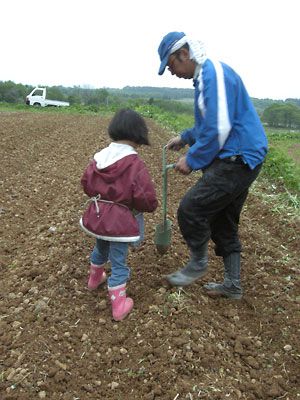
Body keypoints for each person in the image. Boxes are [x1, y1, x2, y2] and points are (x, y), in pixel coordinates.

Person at [157, 31, 268, 299]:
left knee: (191, 209)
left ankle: (197, 263)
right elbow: (208, 123)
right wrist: (185, 138)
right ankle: (233, 285)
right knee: (223, 221)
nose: (171, 72)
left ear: (184, 54)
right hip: (243, 158)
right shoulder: (205, 78)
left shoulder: (212, 74)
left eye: (171, 65)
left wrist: (192, 160)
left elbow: (219, 127)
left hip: (237, 158)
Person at [80, 109, 158, 320]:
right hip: (120, 222)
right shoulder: (134, 163)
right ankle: (118, 306)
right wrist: (150, 206)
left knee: (100, 246)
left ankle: (94, 280)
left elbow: (86, 183)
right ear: (138, 136)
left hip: (98, 216)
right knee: (119, 260)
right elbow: (144, 195)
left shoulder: (100, 157)